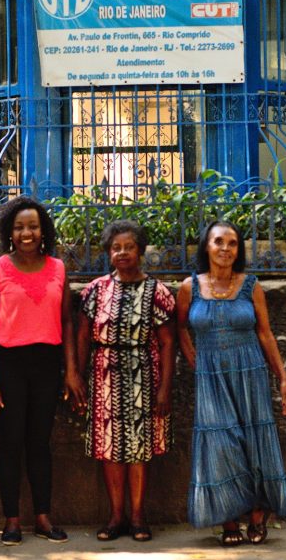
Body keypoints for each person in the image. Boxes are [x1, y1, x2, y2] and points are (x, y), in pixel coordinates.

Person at [177, 220, 286, 546]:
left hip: (250, 372)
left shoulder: (250, 286)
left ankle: (257, 513)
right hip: (211, 378)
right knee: (221, 444)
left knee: (253, 441)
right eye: (219, 242)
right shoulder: (189, 287)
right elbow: (180, 327)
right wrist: (194, 359)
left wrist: (283, 379)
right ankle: (228, 519)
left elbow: (265, 334)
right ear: (206, 246)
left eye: (232, 243)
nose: (226, 249)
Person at [0, 195, 83, 546]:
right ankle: (11, 520)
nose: (26, 233)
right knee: (10, 442)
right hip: (7, 364)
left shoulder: (58, 269)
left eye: (33, 226)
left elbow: (67, 322)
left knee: (39, 443)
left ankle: (42, 516)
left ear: (43, 230)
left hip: (46, 364)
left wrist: (71, 371)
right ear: (9, 231)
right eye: (19, 227)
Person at [76, 220, 176, 542]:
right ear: (108, 252)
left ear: (140, 250)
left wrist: (164, 389)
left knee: (138, 448)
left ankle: (137, 516)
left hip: (142, 376)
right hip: (104, 376)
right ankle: (115, 516)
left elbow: (168, 343)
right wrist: (76, 375)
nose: (122, 253)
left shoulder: (157, 292)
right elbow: (83, 337)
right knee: (109, 447)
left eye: (128, 247)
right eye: (116, 248)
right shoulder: (95, 290)